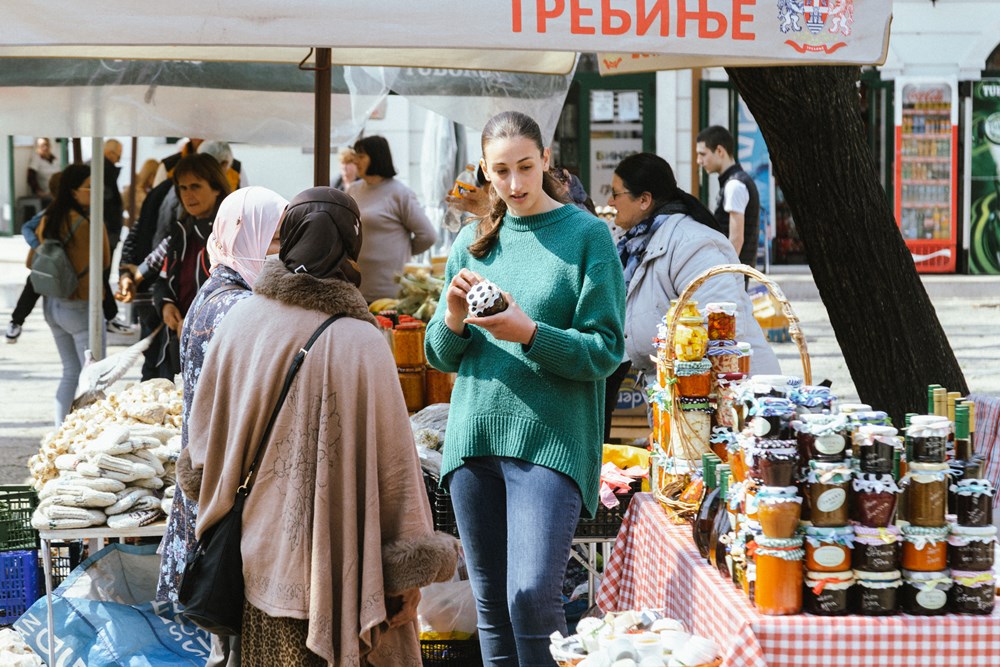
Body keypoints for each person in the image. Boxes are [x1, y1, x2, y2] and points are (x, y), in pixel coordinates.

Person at [178, 187, 458, 666]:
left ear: (286, 239)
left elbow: (201, 447)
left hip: (251, 558)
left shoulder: (240, 320)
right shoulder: (362, 342)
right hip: (338, 568)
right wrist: (403, 576)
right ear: (352, 246)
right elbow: (395, 470)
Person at [425, 111, 626, 665]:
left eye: (525, 167)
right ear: (485, 173)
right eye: (501, 171)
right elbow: (441, 355)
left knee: (533, 596)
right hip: (473, 442)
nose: (514, 185)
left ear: (546, 161)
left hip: (551, 442)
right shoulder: (471, 241)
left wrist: (529, 334)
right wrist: (452, 316)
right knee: (491, 604)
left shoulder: (588, 236)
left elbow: (606, 350)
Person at [157, 186, 288, 666]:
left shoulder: (219, 289)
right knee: (232, 645)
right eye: (274, 237)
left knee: (227, 641)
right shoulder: (235, 307)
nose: (282, 250)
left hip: (211, 485)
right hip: (224, 492)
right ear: (247, 235)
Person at [608, 152, 780, 396]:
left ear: (644, 200)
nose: (611, 202)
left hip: (728, 396)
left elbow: (721, 329)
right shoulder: (637, 245)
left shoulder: (692, 242)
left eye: (616, 194)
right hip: (684, 394)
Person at [33, 164, 110, 425]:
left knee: (70, 372)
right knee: (95, 375)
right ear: (74, 191)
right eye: (90, 186)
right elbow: (105, 260)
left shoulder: (48, 218)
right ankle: (86, 436)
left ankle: (60, 431)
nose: (95, 191)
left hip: (52, 304)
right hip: (80, 304)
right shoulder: (89, 223)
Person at [151, 154, 232, 375]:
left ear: (216, 188)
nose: (188, 194)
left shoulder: (229, 233)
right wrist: (166, 305)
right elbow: (163, 279)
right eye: (183, 188)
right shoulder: (181, 231)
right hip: (177, 342)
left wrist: (196, 319)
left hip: (217, 345)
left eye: (195, 186)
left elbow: (235, 292)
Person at [349, 135, 437, 302]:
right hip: (357, 287)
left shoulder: (400, 193)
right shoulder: (353, 190)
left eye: (361, 156)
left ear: (376, 158)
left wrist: (402, 251)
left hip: (390, 290)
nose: (355, 161)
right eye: (355, 156)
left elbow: (428, 236)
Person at [696, 125, 761, 272]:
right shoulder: (735, 182)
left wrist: (722, 276)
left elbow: (736, 241)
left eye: (703, 154)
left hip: (731, 280)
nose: (698, 160)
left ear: (719, 151)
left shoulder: (734, 185)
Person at [122, 158, 159, 226]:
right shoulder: (131, 191)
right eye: (156, 176)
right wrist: (131, 223)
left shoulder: (150, 192)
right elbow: (116, 212)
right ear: (151, 175)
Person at [27, 137, 60, 205]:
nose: (45, 148)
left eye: (47, 145)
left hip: (58, 189)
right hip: (47, 193)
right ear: (38, 147)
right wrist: (38, 191)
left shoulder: (55, 159)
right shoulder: (36, 160)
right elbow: (31, 177)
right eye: (42, 146)